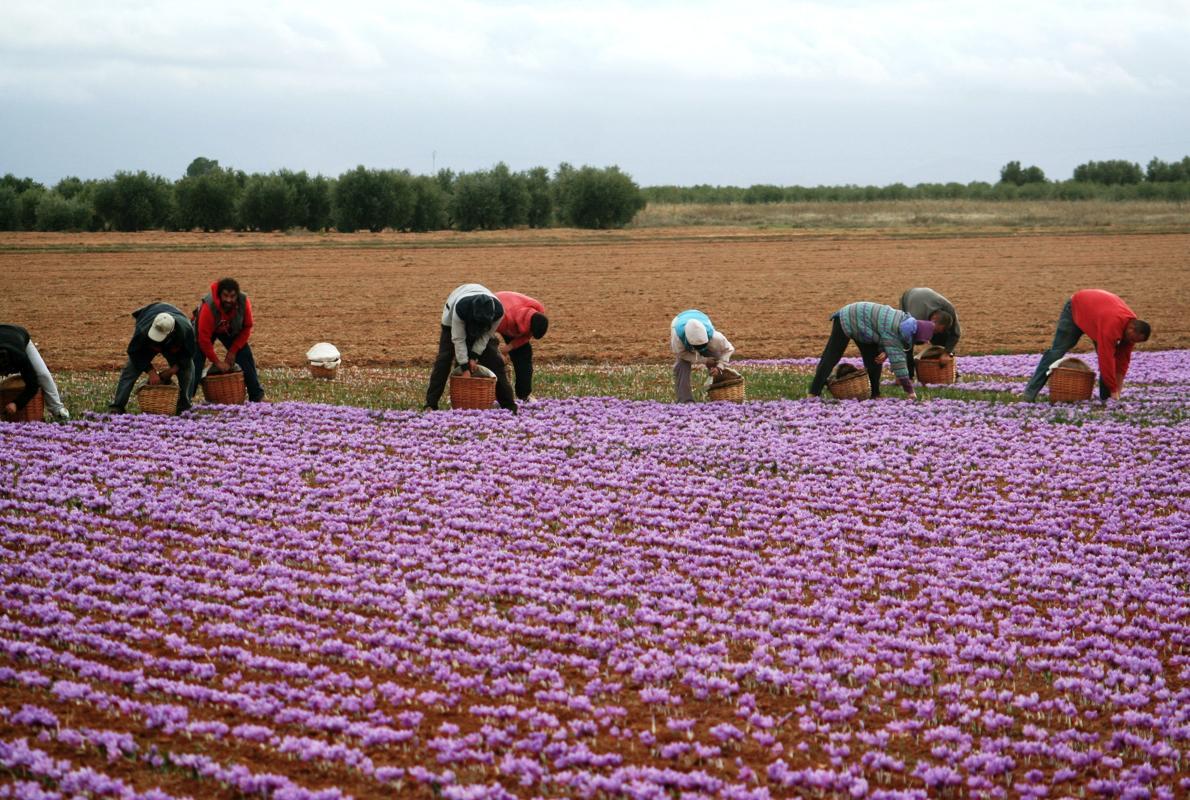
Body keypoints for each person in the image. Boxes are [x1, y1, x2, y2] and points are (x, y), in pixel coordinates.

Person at [1022, 289, 1151, 402]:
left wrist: (1117, 390)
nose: (1131, 343)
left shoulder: (1133, 332)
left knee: (1114, 359)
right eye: (1132, 339)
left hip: (1096, 316)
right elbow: (1106, 359)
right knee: (1056, 352)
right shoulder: (1112, 327)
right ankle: (1030, 393)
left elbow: (1122, 362)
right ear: (1131, 329)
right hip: (1076, 307)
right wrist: (1113, 389)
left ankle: (1106, 400)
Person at [808, 302, 936, 400]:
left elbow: (882, 332)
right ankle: (814, 392)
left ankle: (875, 394)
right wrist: (910, 392)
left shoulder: (905, 322)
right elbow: (899, 364)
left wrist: (884, 351)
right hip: (848, 317)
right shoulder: (896, 328)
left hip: (866, 328)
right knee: (832, 356)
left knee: (875, 359)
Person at [425, 283, 516, 413]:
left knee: (494, 360)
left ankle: (509, 407)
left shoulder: (498, 312)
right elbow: (458, 339)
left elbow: (485, 336)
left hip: (480, 322)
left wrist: (474, 356)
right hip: (451, 321)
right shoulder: (460, 309)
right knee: (444, 359)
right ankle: (431, 404)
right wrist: (464, 367)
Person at [108, 303, 197, 415]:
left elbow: (189, 354)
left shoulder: (186, 331)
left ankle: (184, 407)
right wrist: (150, 371)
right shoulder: (143, 330)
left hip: (173, 344)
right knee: (130, 370)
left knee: (187, 370)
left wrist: (173, 370)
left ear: (172, 332)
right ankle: (117, 406)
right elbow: (134, 351)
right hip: (148, 342)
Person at [187, 277, 265, 403]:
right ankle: (186, 398)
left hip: (229, 328)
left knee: (245, 354)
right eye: (225, 296)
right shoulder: (209, 307)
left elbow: (247, 327)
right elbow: (204, 340)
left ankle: (257, 395)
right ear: (219, 295)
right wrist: (217, 362)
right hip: (207, 330)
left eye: (233, 296)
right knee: (196, 359)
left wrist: (233, 351)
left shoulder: (244, 302)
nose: (229, 300)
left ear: (237, 296)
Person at [0, 324, 70, 421]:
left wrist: (17, 403)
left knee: (43, 374)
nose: (6, 375)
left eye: (6, 372)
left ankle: (58, 410)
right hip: (6, 337)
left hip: (18, 335)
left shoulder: (20, 357)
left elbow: (33, 384)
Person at [670, 309, 735, 403]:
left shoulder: (714, 337)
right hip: (678, 321)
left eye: (703, 346)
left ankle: (722, 396)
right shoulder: (678, 339)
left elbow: (729, 349)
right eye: (697, 347)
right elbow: (681, 354)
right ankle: (685, 400)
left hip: (701, 318)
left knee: (716, 358)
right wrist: (704, 360)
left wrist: (719, 367)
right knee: (682, 365)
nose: (700, 350)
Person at [495, 291, 548, 402]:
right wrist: (497, 351)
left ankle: (524, 394)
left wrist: (510, 347)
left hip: (513, 319)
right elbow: (486, 333)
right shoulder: (503, 317)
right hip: (496, 315)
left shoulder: (538, 314)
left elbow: (526, 336)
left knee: (524, 354)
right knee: (490, 355)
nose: (530, 336)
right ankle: (493, 395)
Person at [899, 288, 959, 381]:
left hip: (927, 298)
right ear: (933, 320)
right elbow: (905, 341)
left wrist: (947, 352)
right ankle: (908, 376)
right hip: (909, 297)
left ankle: (952, 371)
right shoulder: (915, 317)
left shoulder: (949, 310)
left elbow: (956, 334)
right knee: (907, 346)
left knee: (943, 338)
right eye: (935, 331)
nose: (934, 335)